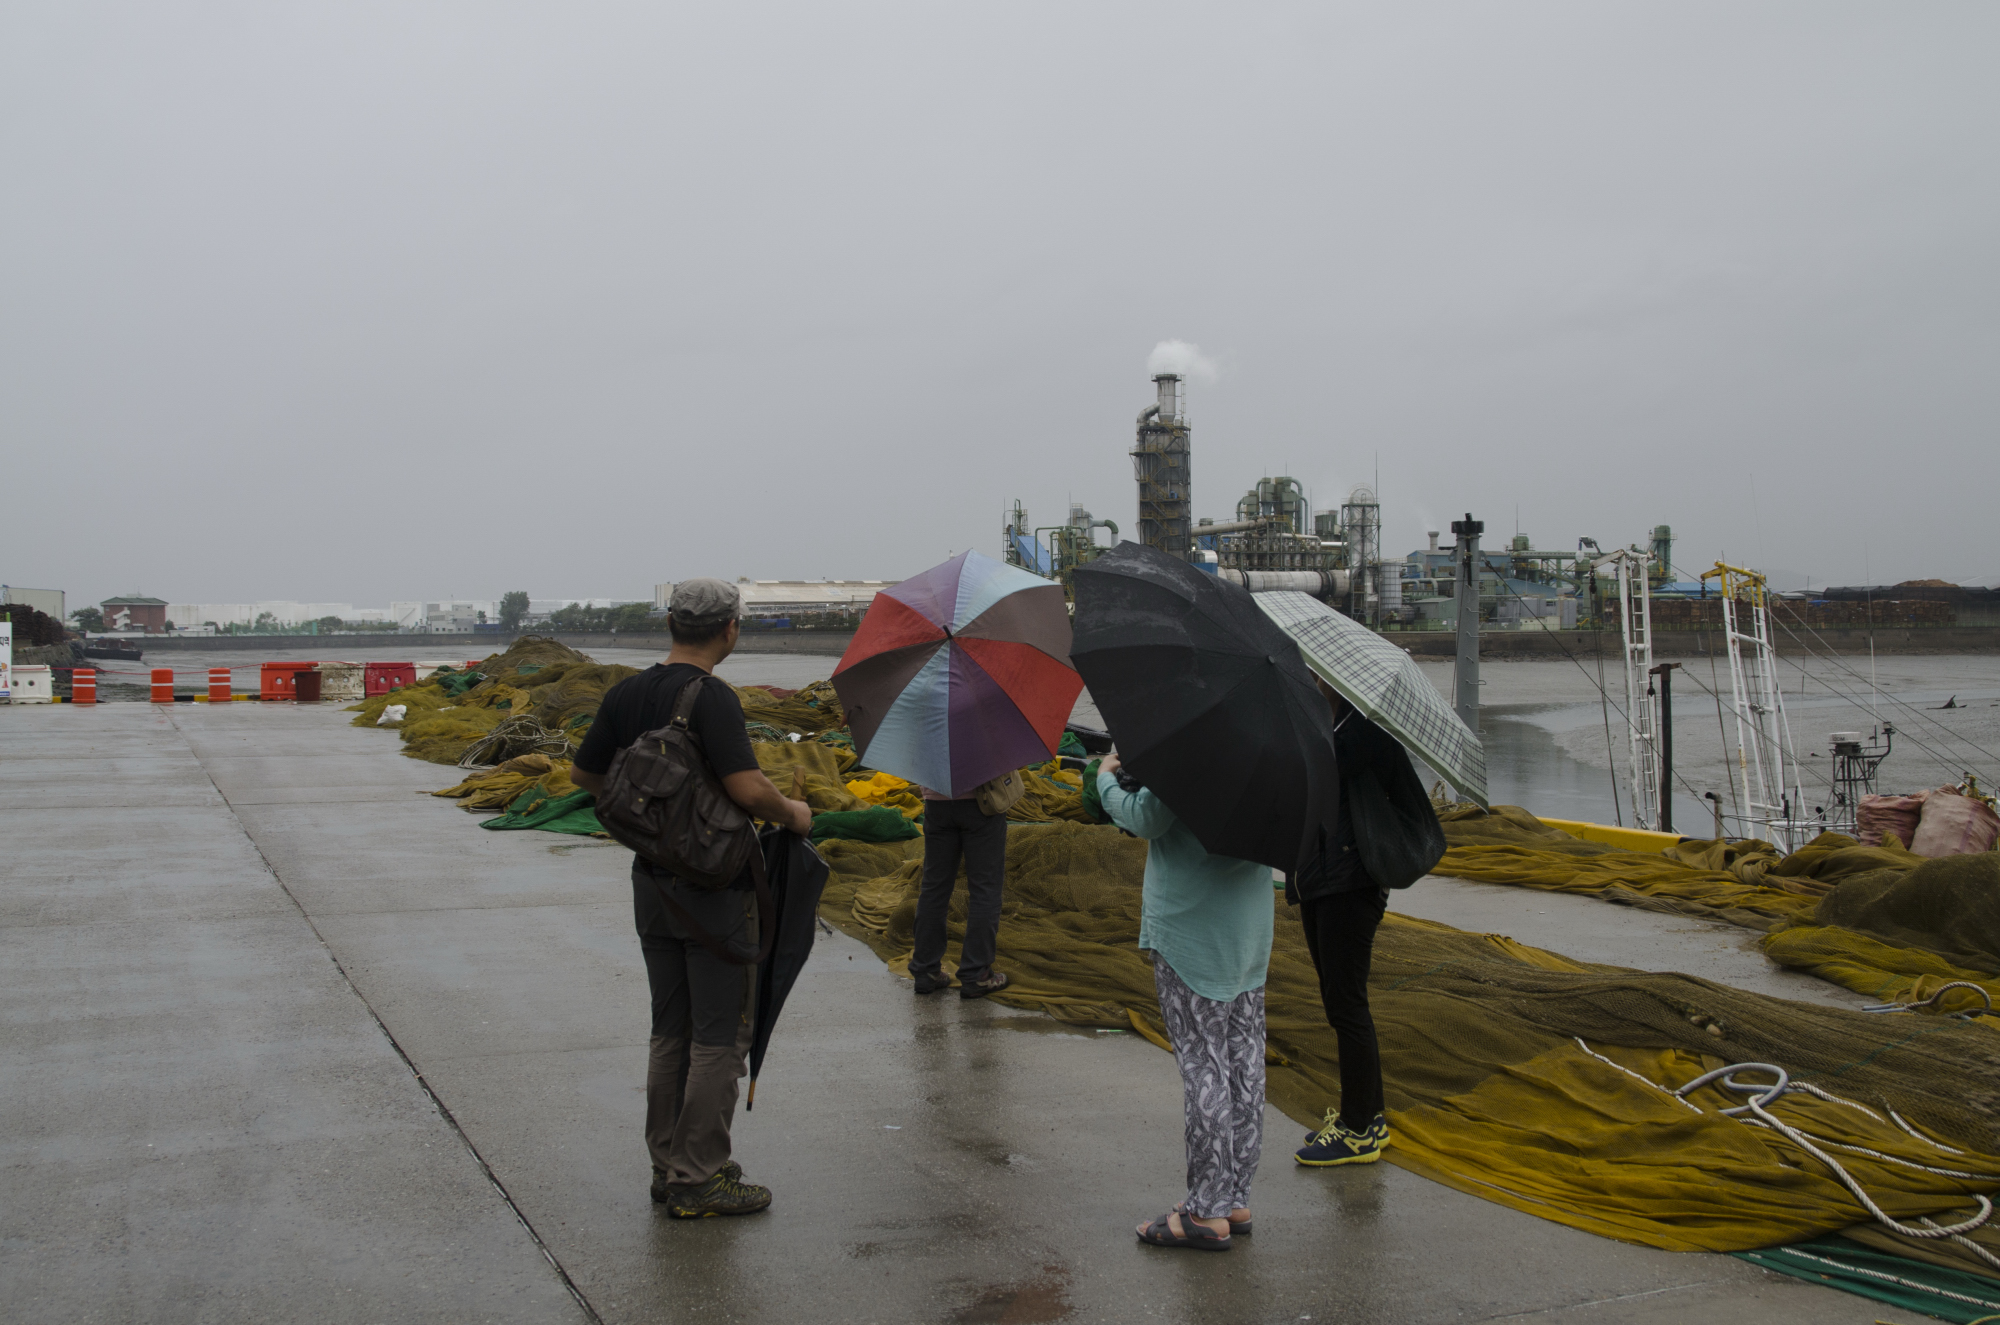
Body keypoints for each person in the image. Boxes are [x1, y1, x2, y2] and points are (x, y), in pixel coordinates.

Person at [570, 578, 812, 1219]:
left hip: (652, 882)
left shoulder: (625, 694)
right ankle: (698, 1176)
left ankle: (667, 1164)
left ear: (671, 624)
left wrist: (657, 819)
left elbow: (586, 775)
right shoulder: (711, 697)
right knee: (719, 1035)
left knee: (669, 1028)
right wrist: (794, 814)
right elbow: (748, 788)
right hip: (714, 889)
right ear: (730, 629)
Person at [1097, 751, 1271, 1252]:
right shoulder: (1270, 764)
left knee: (1204, 1068)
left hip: (1192, 935)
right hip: (1248, 936)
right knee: (1244, 1064)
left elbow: (1145, 818)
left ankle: (1206, 1212)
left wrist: (1106, 778)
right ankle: (1233, 1199)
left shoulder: (1197, 754)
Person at [1291, 676, 1444, 1168]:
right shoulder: (1335, 724)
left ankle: (1358, 1130)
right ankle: (1368, 1118)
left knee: (1347, 1005)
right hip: (1324, 880)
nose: (1312, 679)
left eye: (1318, 674)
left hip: (1349, 885)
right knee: (1341, 1003)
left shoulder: (1363, 732)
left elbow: (1319, 772)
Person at [907, 780, 1010, 999]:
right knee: (985, 890)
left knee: (934, 888)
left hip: (937, 804)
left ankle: (926, 970)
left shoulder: (930, 752)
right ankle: (977, 974)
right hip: (982, 802)